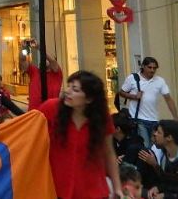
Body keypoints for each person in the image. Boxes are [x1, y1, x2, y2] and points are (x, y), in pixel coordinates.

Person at [38, 70, 122, 199]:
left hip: (93, 191)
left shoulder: (102, 118)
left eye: (75, 89)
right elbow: (26, 127)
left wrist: (117, 188)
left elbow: (109, 153)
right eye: (69, 86)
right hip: (58, 190)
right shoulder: (50, 108)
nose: (68, 91)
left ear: (89, 98)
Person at [119, 57, 178, 147]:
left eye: (154, 68)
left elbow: (168, 99)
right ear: (143, 66)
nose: (152, 70)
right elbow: (121, 92)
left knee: (155, 147)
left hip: (154, 120)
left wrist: (176, 118)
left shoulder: (159, 81)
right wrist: (134, 96)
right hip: (139, 120)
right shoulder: (133, 78)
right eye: (149, 67)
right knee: (145, 146)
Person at [139, 119, 178, 198]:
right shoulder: (165, 157)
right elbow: (167, 183)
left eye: (159, 132)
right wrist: (158, 188)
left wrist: (166, 196)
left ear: (169, 137)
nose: (155, 134)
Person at [19, 42, 62, 110]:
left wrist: (39, 47)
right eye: (43, 58)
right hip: (34, 113)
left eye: (47, 58)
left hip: (49, 112)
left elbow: (52, 60)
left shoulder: (56, 74)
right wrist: (23, 48)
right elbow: (22, 60)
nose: (44, 59)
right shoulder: (34, 71)